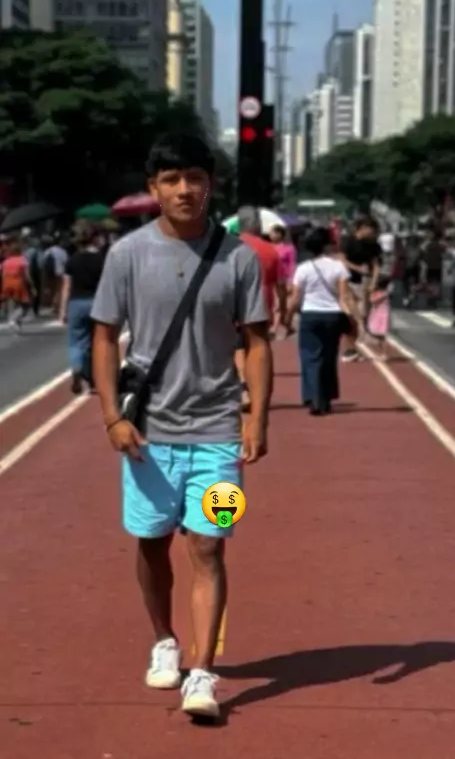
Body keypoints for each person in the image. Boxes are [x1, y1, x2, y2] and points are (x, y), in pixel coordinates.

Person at [90, 132, 272, 719]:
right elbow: (103, 337)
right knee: (152, 543)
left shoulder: (238, 257)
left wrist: (257, 417)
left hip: (219, 436)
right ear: (154, 188)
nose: (185, 189)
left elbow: (258, 342)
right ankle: (164, 639)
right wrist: (112, 417)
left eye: (195, 177)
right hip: (147, 438)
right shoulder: (127, 256)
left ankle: (202, 672)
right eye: (171, 179)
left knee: (210, 544)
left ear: (210, 184)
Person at [285, 226, 351, 415]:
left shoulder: (303, 269)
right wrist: (353, 319)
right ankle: (326, 397)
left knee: (310, 357)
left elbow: (296, 298)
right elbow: (345, 296)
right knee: (329, 357)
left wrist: (287, 319)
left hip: (310, 315)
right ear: (327, 246)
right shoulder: (338, 267)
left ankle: (313, 397)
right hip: (333, 316)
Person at [235, 206, 286, 408]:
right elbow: (280, 285)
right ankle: (260, 391)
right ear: (258, 225)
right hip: (262, 305)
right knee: (259, 346)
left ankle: (243, 388)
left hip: (234, 305)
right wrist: (282, 311)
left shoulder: (229, 247)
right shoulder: (270, 250)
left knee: (238, 347)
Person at [59, 223, 105, 394]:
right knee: (97, 343)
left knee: (76, 342)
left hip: (76, 303)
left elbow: (66, 287)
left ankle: (77, 368)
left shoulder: (72, 260)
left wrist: (63, 310)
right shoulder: (102, 259)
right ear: (95, 238)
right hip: (97, 302)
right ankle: (94, 380)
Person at [339, 216, 382, 361]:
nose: (372, 234)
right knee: (350, 316)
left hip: (364, 282)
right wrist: (357, 268)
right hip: (346, 280)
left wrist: (374, 282)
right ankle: (351, 348)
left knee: (363, 313)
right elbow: (341, 260)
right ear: (362, 228)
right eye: (371, 230)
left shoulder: (373, 245)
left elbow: (376, 265)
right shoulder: (347, 241)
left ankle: (354, 347)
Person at [0, 236, 34, 331]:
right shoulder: (23, 260)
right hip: (19, 284)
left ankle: (16, 323)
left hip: (6, 284)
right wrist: (32, 286)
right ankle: (14, 319)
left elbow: (2, 274)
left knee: (11, 304)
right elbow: (27, 275)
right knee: (25, 304)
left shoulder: (6, 261)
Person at [270, 224, 296, 336]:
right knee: (279, 304)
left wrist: (291, 280)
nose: (270, 235)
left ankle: (275, 328)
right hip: (271, 278)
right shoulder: (268, 247)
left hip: (283, 279)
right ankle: (286, 325)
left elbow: (292, 265)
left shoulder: (289, 248)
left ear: (279, 234)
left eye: (272, 233)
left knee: (279, 303)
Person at [366, 275, 392, 360]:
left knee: (382, 335)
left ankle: (384, 353)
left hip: (382, 315)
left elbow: (373, 300)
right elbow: (371, 299)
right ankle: (382, 352)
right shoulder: (377, 292)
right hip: (375, 313)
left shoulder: (384, 293)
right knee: (374, 332)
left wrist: (372, 292)